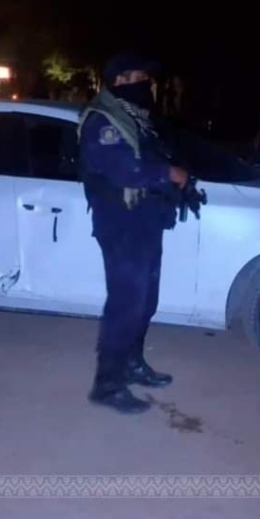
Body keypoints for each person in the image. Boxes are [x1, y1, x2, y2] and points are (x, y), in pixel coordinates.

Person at [77, 53, 189, 414]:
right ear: (120, 81)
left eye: (146, 78)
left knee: (145, 301)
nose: (146, 85)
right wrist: (168, 173)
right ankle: (107, 384)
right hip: (120, 225)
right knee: (126, 305)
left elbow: (152, 155)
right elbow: (124, 170)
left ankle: (132, 363)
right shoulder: (103, 120)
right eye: (139, 78)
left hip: (144, 221)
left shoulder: (137, 119)